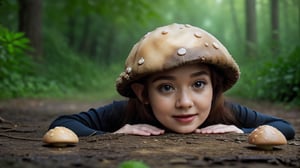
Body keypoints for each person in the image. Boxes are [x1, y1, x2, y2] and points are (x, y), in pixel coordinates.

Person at [49, 23, 295, 140]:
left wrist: (242, 131)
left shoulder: (225, 113)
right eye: (166, 88)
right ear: (143, 94)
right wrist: (112, 133)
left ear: (214, 86)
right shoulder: (125, 112)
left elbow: (285, 127)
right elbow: (63, 124)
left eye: (198, 84)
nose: (185, 102)